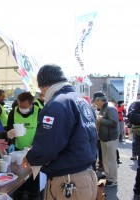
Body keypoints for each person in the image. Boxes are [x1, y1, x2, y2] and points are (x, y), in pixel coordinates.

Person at [24, 64, 98, 200]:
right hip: (87, 174)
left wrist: (30, 157)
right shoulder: (81, 101)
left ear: (43, 85)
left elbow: (47, 147)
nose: (43, 94)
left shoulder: (56, 104)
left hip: (69, 181)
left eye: (41, 90)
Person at [7, 92, 42, 199]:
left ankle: (32, 196)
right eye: (20, 105)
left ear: (31, 104)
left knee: (33, 179)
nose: (22, 108)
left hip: (34, 150)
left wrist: (35, 145)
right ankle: (20, 195)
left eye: (24, 106)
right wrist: (11, 143)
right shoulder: (13, 112)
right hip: (18, 150)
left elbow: (43, 131)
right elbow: (9, 130)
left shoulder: (39, 112)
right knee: (19, 178)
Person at [94, 91, 119, 187]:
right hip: (104, 137)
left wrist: (100, 119)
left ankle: (113, 179)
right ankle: (108, 176)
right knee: (105, 158)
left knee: (111, 159)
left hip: (111, 138)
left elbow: (114, 122)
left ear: (99, 100)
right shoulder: (104, 107)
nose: (95, 103)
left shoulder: (110, 108)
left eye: (95, 101)